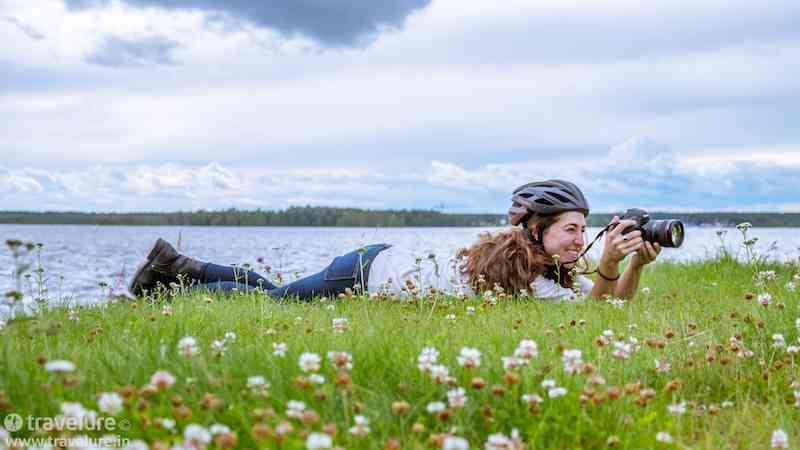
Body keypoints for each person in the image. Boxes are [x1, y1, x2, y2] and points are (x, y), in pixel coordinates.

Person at [128, 180, 660, 301]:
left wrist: (631, 264)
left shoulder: (539, 267)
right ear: (535, 230)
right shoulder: (515, 270)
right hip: (368, 268)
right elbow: (592, 320)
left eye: (584, 231)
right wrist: (611, 265)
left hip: (378, 269)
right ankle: (173, 280)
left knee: (282, 293)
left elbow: (602, 315)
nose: (581, 239)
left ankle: (177, 264)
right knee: (275, 301)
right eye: (571, 228)